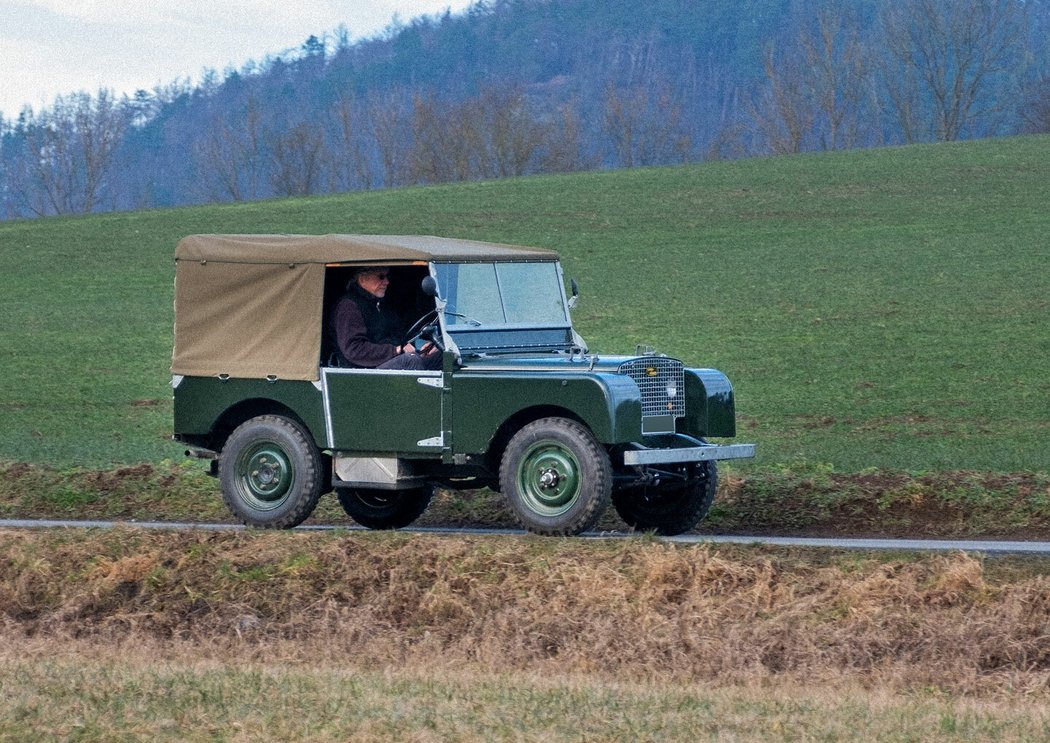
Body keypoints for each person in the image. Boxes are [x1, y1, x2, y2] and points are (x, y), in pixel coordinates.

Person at [330, 266, 441, 370]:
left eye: (387, 277)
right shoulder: (348, 307)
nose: (386, 282)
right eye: (381, 277)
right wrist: (395, 350)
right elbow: (354, 349)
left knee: (442, 357)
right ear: (362, 278)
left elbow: (398, 337)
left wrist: (419, 350)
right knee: (409, 361)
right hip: (362, 372)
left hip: (389, 362)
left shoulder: (383, 305)